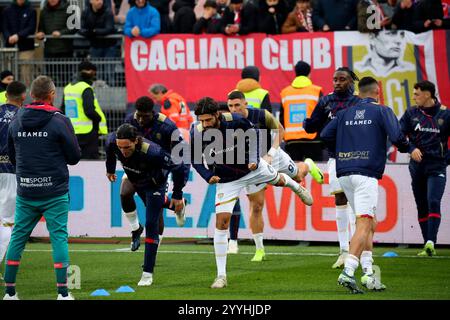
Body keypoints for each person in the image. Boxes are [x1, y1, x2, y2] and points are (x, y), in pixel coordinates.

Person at [191, 97, 313, 288]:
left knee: (280, 181)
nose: (204, 124)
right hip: (227, 179)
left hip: (252, 168)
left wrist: (255, 158)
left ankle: (297, 187)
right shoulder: (197, 132)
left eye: (208, 120)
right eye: (201, 120)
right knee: (221, 222)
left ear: (217, 115)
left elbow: (255, 134)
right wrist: (207, 175)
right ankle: (221, 276)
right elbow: (196, 159)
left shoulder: (236, 121)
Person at [321, 76, 410, 293]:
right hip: (365, 173)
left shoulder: (343, 113)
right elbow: (397, 136)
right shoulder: (382, 111)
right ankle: (349, 271)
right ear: (377, 92)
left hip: (344, 173)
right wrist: (410, 148)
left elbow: (324, 135)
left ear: (358, 93)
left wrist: (346, 144)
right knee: (364, 222)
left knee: (370, 222)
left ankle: (368, 273)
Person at [4, 76, 81, 300]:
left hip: (26, 189)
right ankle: (63, 294)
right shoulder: (59, 120)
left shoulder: (17, 119)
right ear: (51, 94)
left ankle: (9, 292)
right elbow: (75, 157)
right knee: (58, 237)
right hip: (54, 190)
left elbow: (11, 154)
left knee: (18, 237)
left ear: (32, 95)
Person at [226, 90, 322, 261]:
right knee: (256, 205)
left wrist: (270, 153)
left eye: (237, 105)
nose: (234, 109)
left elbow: (281, 130)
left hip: (274, 156)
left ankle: (308, 164)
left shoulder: (261, 115)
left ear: (245, 104)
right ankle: (259, 250)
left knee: (299, 176)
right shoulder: (228, 122)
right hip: (252, 166)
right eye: (231, 106)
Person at [105, 123, 189, 286]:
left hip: (154, 184)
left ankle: (147, 274)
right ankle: (175, 206)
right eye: (120, 147)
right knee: (124, 193)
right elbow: (110, 152)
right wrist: (110, 169)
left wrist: (177, 194)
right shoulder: (112, 142)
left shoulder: (154, 152)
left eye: (127, 147)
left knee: (151, 223)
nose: (123, 151)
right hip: (134, 177)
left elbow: (178, 168)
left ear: (136, 141)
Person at [304, 67, 361, 269]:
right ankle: (344, 251)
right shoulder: (325, 101)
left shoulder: (359, 102)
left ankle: (357, 250)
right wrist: (308, 123)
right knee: (339, 199)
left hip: (357, 157)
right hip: (336, 158)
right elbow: (312, 125)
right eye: (335, 79)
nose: (337, 83)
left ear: (351, 82)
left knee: (356, 205)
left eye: (342, 79)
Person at [120, 96, 190, 251]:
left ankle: (153, 251)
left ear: (153, 113)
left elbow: (180, 153)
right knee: (125, 193)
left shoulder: (167, 126)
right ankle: (136, 228)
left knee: (154, 209)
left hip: (159, 169)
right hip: (136, 165)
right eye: (139, 115)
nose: (141, 120)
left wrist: (180, 184)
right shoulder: (130, 120)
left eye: (145, 116)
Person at [399, 80, 450, 257]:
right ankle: (427, 245)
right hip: (416, 167)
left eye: (417, 94)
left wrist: (446, 158)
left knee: (433, 201)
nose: (414, 97)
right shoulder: (411, 113)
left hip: (437, 165)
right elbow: (399, 135)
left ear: (427, 94)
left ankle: (431, 241)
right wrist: (411, 149)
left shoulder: (445, 114)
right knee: (422, 205)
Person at [0, 81, 27, 281]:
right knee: (7, 222)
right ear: (23, 97)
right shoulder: (23, 116)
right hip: (10, 171)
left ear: (6, 94)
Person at [62, 61, 108, 159]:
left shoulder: (68, 88)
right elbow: (89, 110)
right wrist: (98, 119)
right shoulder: (85, 88)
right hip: (88, 132)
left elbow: (63, 108)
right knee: (91, 163)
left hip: (72, 130)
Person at [280, 60, 324, 161]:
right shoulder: (316, 91)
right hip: (313, 140)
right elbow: (322, 115)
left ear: (296, 73)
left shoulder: (285, 93)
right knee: (317, 173)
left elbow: (282, 118)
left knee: (294, 174)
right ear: (309, 73)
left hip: (292, 141)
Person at [1, 0, 37, 86]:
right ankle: (7, 95)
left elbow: (31, 28)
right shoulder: (7, 10)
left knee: (26, 74)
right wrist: (8, 37)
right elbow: (4, 27)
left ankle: (25, 96)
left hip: (26, 47)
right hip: (9, 47)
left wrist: (18, 36)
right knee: (8, 74)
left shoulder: (31, 10)